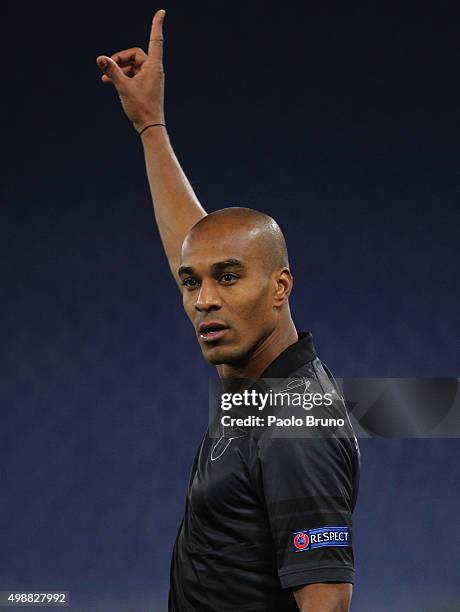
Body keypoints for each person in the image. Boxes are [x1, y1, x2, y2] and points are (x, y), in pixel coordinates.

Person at [96, 9, 360, 612]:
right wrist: (150, 126)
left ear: (281, 287)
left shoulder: (296, 425)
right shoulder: (260, 388)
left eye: (229, 278)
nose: (204, 299)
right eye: (192, 284)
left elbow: (327, 605)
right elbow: (200, 247)